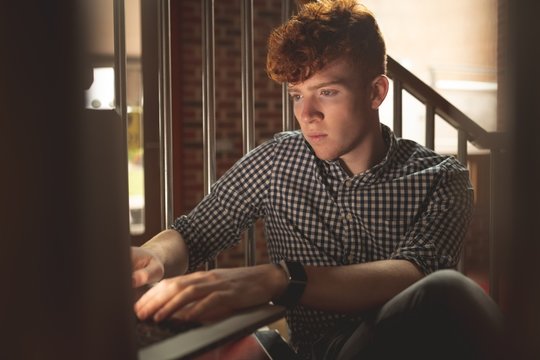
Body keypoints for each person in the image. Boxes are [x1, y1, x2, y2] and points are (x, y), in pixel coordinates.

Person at [132, 0, 503, 359]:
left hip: (404, 347)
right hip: (316, 353)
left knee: (449, 288)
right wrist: (153, 256)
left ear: (376, 92)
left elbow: (417, 277)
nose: (306, 113)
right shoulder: (279, 159)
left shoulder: (442, 178)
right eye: (297, 95)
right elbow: (194, 233)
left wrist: (281, 279)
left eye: (327, 91)